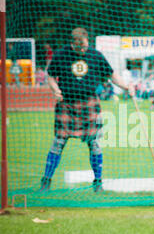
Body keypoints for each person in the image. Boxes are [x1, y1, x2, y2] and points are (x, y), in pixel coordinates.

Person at [40, 27, 134, 193]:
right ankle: (46, 181)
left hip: (89, 103)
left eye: (84, 46)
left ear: (87, 41)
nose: (82, 50)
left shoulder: (95, 55)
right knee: (58, 143)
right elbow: (50, 76)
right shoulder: (61, 55)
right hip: (67, 104)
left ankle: (98, 182)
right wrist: (55, 90)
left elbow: (111, 75)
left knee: (95, 143)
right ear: (72, 43)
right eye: (78, 47)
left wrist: (126, 87)